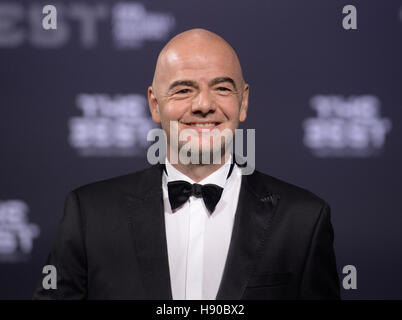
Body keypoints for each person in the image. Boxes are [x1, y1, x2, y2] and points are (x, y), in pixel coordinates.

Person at [33, 28, 340, 300]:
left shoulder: (303, 220)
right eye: (184, 90)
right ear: (155, 104)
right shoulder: (89, 215)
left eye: (221, 88)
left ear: (243, 101)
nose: (204, 105)